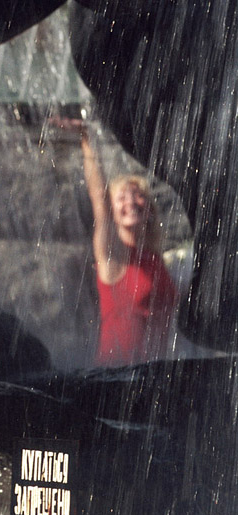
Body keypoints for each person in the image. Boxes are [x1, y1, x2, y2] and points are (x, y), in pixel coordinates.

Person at [52, 116, 179, 368]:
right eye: (122, 198)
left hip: (153, 374)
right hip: (116, 373)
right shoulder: (114, 255)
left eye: (138, 195)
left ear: (150, 210)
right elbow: (99, 198)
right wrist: (87, 140)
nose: (130, 201)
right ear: (112, 210)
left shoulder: (154, 258)